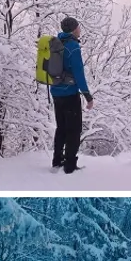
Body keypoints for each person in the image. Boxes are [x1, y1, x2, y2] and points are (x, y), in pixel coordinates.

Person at [51, 17, 94, 174]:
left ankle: (57, 161)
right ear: (73, 29)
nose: (80, 29)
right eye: (78, 27)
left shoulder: (55, 44)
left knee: (61, 128)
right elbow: (79, 74)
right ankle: (69, 166)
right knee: (74, 130)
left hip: (56, 93)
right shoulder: (73, 47)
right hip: (69, 94)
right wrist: (88, 96)